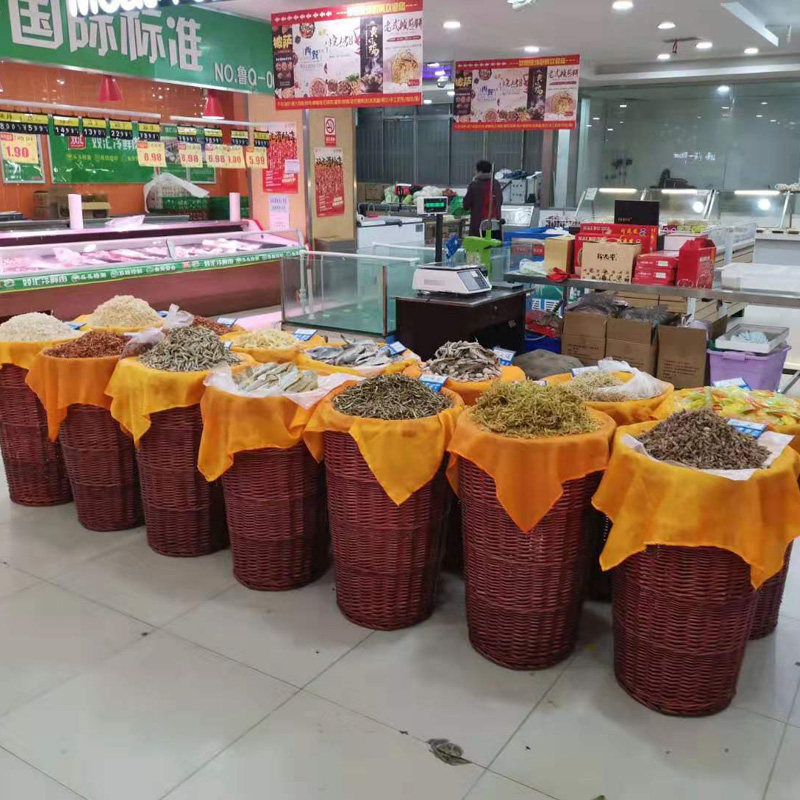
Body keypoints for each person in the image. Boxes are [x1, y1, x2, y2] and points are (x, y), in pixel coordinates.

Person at [462, 160, 504, 237]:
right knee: (494, 244)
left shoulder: (475, 185)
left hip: (479, 225)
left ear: (479, 171)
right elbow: (500, 201)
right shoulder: (496, 184)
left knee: (479, 244)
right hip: (496, 224)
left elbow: (466, 205)